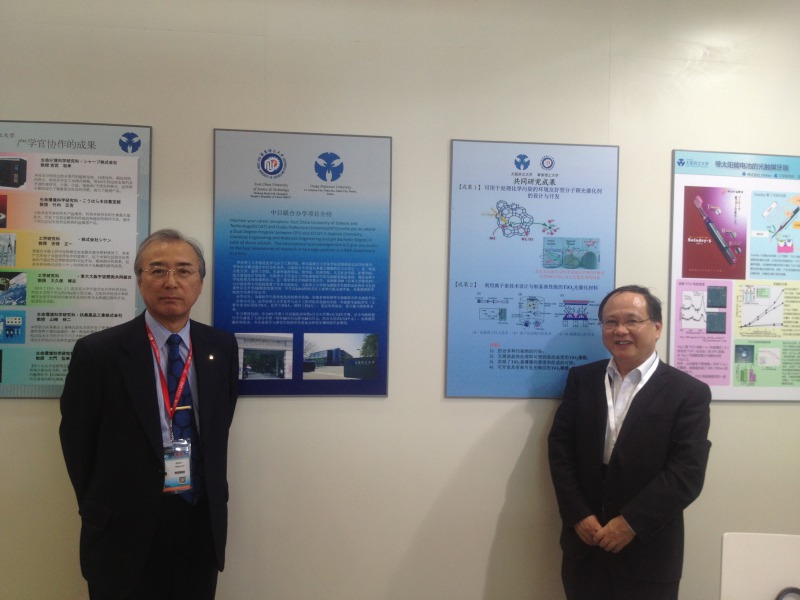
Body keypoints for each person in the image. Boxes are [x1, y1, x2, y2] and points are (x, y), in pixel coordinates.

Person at [59, 229, 239, 600]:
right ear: (140, 281)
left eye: (184, 270)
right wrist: (102, 505)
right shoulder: (99, 352)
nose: (171, 282)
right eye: (157, 270)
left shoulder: (220, 346)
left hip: (199, 520)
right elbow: (77, 442)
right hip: (123, 525)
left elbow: (220, 423)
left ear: (200, 282)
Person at [547, 284, 711, 600]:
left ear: (657, 327)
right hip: (585, 545)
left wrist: (631, 523)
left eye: (632, 320)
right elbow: (560, 449)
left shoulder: (688, 392)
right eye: (611, 322)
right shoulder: (582, 379)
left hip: (648, 550)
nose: (620, 330)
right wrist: (578, 514)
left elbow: (686, 472)